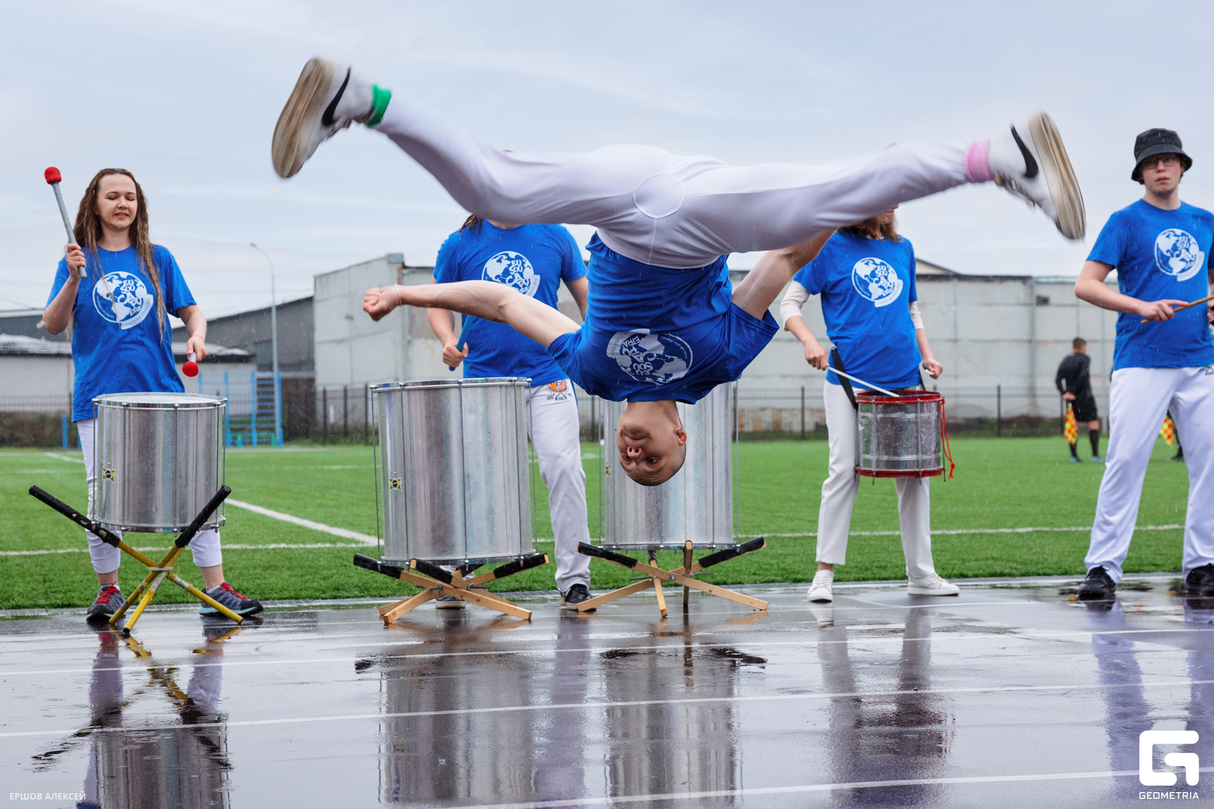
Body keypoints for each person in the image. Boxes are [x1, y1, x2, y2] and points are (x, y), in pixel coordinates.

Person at [272, 58, 1085, 484]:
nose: (635, 454)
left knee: (496, 189)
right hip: (701, 218)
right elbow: (781, 264)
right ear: (679, 432)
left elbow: (499, 299)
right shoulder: (717, 366)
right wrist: (854, 195)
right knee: (825, 196)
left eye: (631, 462)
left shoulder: (589, 371)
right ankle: (1003, 156)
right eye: (653, 458)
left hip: (625, 210)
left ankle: (357, 95)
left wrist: (412, 290)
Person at [43, 168, 262, 624]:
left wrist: (198, 334)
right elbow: (52, 324)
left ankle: (217, 589)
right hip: (99, 399)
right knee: (104, 497)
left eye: (130, 197)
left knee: (196, 492)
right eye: (113, 196)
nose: (122, 204)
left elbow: (191, 310)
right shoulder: (76, 262)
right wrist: (72, 279)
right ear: (94, 204)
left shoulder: (157, 258)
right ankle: (108, 592)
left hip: (162, 393)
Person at [779, 209, 959, 601]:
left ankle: (921, 574)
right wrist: (809, 341)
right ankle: (823, 575)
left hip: (904, 379)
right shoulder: (829, 246)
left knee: (914, 477)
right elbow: (789, 304)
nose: (892, 204)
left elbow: (911, 309)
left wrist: (927, 354)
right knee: (843, 471)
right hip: (848, 381)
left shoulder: (903, 249)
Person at [1073, 129, 1214, 600]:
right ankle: (1103, 568)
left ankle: (1203, 563)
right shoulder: (1125, 221)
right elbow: (1086, 285)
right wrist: (1139, 305)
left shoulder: (1205, 221)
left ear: (1181, 167)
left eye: (1170, 160)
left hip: (1199, 361)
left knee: (1210, 465)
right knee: (1126, 460)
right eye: (1153, 162)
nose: (1162, 167)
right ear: (1141, 172)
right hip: (1140, 360)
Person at [427, 215, 595, 609]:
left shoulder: (555, 236)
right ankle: (460, 572)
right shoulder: (459, 244)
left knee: (564, 468)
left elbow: (590, 298)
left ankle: (575, 579)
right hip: (487, 380)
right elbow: (438, 304)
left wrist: (595, 341)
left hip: (550, 374)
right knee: (474, 476)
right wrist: (448, 339)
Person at [1055, 337, 1102, 462]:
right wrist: (1074, 392)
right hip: (1084, 396)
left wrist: (1065, 393)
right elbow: (1083, 375)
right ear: (1082, 347)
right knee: (1093, 423)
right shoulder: (1085, 358)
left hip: (1071, 400)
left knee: (1073, 425)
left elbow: (1057, 379)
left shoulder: (1066, 359)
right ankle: (1095, 455)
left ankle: (1074, 456)